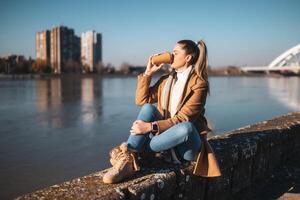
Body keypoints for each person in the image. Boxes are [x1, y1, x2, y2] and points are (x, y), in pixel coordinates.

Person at [103, 40, 221, 184]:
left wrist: (150, 127)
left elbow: (184, 119)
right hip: (165, 139)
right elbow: (142, 100)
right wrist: (148, 73)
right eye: (171, 52)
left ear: (188, 58)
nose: (171, 55)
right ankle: (128, 162)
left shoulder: (199, 84)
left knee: (187, 128)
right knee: (148, 108)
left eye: (176, 53)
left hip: (186, 147)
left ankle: (136, 151)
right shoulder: (167, 80)